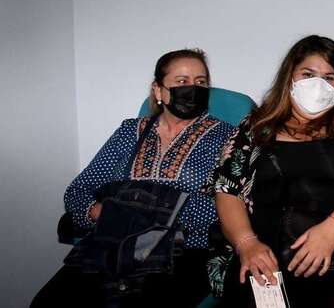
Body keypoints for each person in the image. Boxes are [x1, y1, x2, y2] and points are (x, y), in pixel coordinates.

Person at [31, 48, 236, 307]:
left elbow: (233, 203)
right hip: (115, 243)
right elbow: (78, 189)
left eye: (201, 82)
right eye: (182, 81)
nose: (192, 88)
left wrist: (156, 215)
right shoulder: (130, 131)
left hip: (184, 250)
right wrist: (99, 212)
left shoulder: (227, 137)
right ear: (159, 91)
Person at [207, 35, 334, 308]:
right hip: (262, 255)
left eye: (329, 77)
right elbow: (226, 189)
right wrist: (247, 244)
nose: (318, 85)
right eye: (308, 74)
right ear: (290, 77)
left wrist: (331, 231)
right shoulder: (256, 126)